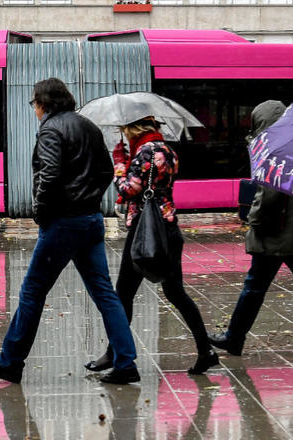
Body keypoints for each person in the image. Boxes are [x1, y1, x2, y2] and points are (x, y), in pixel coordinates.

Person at [0, 78, 139, 385]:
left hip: (63, 222)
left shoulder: (51, 129)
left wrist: (40, 211)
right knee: (105, 293)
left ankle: (10, 362)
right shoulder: (88, 126)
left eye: (34, 103)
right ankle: (126, 361)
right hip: (90, 220)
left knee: (32, 291)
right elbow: (105, 170)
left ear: (43, 103)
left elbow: (48, 174)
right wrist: (88, 200)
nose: (34, 109)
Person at [83, 116, 218, 375]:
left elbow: (126, 190)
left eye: (124, 129)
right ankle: (206, 351)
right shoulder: (167, 150)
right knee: (176, 293)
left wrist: (120, 163)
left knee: (123, 294)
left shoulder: (145, 152)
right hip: (168, 229)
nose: (123, 134)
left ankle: (116, 355)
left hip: (145, 234)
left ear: (134, 129)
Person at [209, 100, 293, 358]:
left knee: (254, 287)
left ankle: (234, 338)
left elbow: (269, 194)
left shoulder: (273, 149)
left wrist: (253, 219)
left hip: (274, 233)